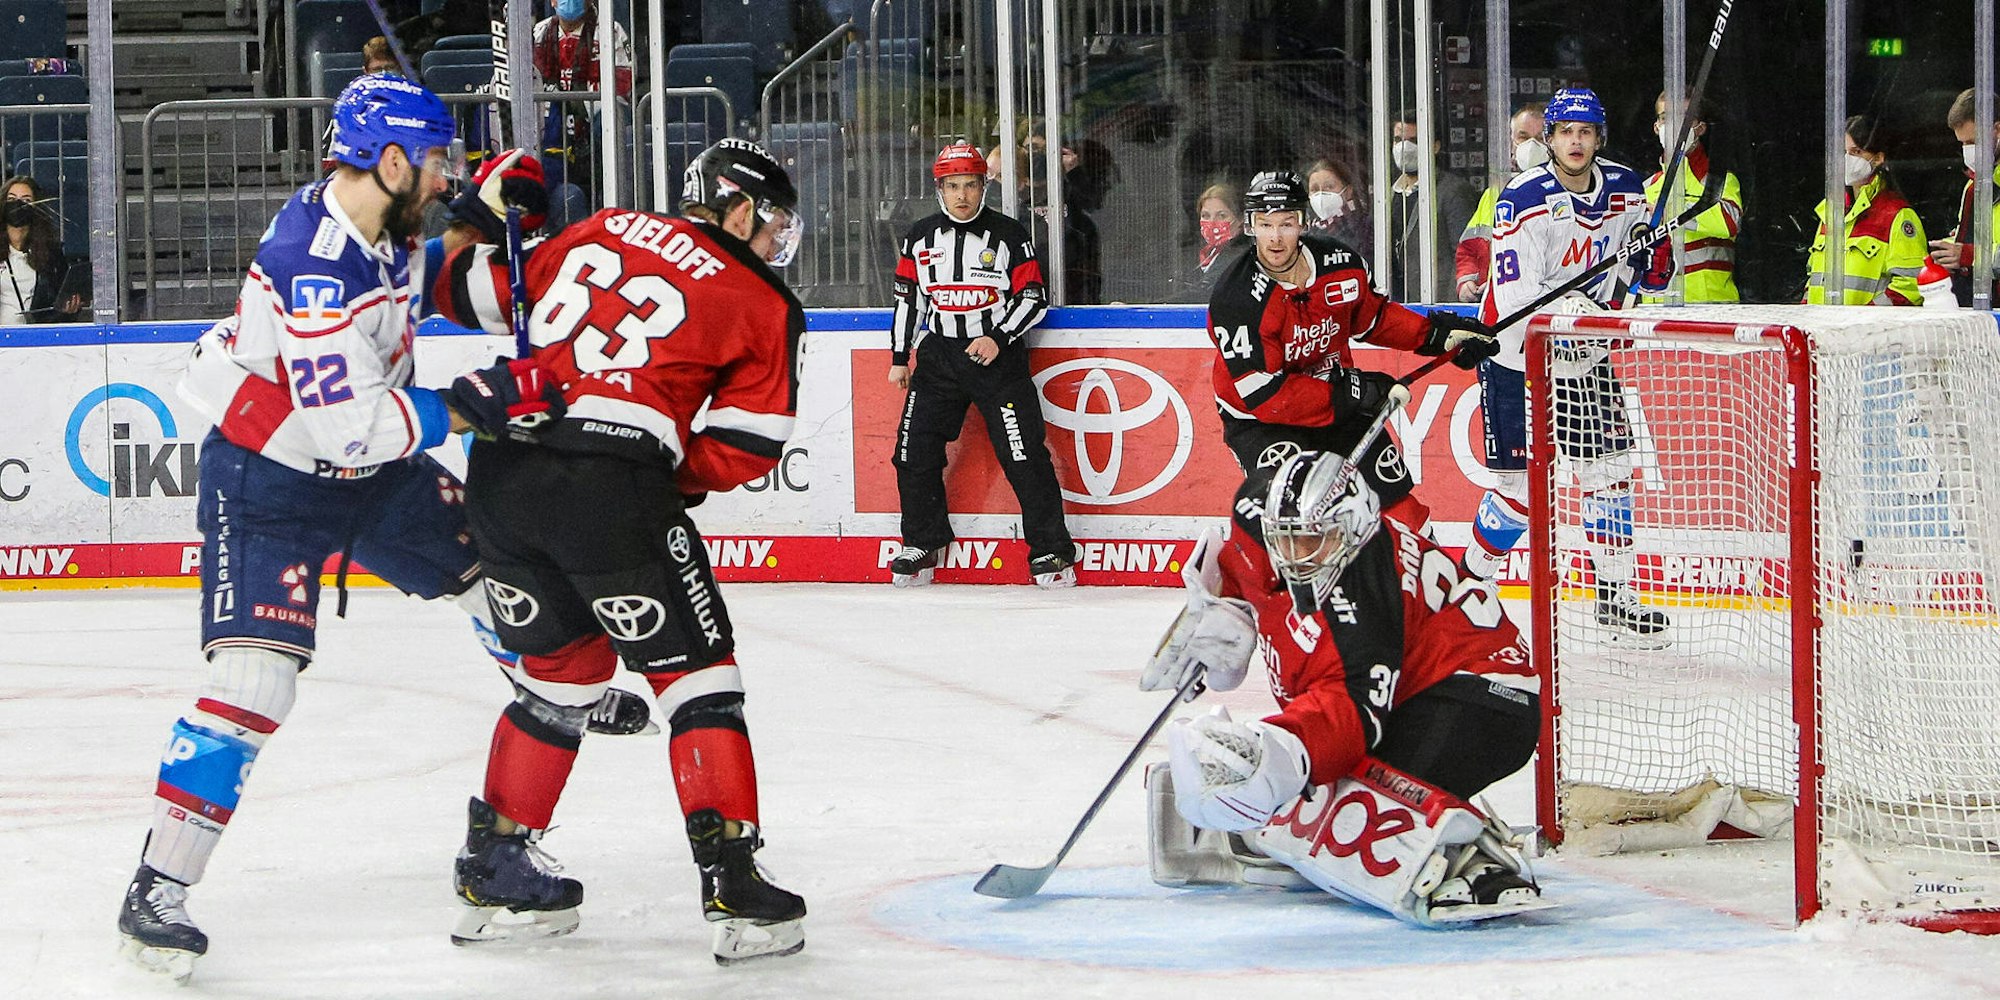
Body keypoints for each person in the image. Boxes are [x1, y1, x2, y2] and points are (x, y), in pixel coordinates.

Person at [113, 75, 577, 983]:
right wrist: (470, 404)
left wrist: (482, 205)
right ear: (394, 161)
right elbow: (352, 426)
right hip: (273, 480)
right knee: (257, 684)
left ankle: (522, 795)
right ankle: (157, 889)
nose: (446, 173)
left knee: (506, 584)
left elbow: (423, 270)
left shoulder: (378, 212)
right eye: (438, 159)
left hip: (367, 475)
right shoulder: (312, 268)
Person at [428, 138, 810, 964]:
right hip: (611, 483)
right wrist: (664, 482)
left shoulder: (600, 226)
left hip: (501, 469)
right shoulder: (762, 298)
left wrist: (477, 211)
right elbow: (750, 442)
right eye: (773, 221)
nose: (778, 241)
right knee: (698, 675)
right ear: (737, 207)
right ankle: (734, 884)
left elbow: (456, 287)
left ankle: (495, 868)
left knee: (556, 678)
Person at [1138, 451, 1547, 926]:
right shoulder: (1258, 512)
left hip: (1484, 702)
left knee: (1348, 801)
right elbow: (1237, 555)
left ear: (1352, 529)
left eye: (1315, 540)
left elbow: (1350, 717)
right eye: (1286, 541)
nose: (1297, 557)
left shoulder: (1362, 599)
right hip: (1421, 689)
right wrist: (1226, 605)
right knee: (1313, 792)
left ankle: (1471, 860)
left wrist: (1280, 752)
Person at [1470, 87, 1672, 642]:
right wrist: (1577, 316)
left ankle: (1615, 592)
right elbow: (1516, 298)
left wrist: (1653, 256)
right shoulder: (1522, 196)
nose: (1576, 142)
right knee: (1518, 487)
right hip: (1517, 356)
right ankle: (1470, 584)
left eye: (1586, 132)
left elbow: (1649, 276)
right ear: (1550, 139)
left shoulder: (1629, 188)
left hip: (1585, 359)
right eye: (1565, 132)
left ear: (1598, 138)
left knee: (1609, 474)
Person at [1203, 169, 1497, 529]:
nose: (1276, 238)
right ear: (1251, 226)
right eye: (1265, 225)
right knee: (1292, 519)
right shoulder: (1237, 298)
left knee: (1394, 506)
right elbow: (1267, 395)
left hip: (1337, 400)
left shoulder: (1339, 265)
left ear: (1304, 221)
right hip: (1262, 422)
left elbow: (1373, 318)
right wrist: (1356, 394)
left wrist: (1437, 337)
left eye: (1286, 223)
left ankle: (1419, 577)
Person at [886, 142, 1078, 588]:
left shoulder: (1010, 234)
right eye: (953, 186)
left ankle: (1051, 550)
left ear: (983, 185)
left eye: (970, 185)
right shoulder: (918, 236)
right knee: (911, 452)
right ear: (939, 189)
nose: (962, 196)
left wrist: (998, 337)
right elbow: (906, 301)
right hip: (938, 357)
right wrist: (900, 357)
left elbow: (1033, 297)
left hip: (998, 359)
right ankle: (921, 541)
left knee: (1023, 453)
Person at [1804, 114, 1925, 306]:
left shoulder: (1896, 215)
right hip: (1823, 330)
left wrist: (1866, 320)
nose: (1846, 159)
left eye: (1856, 152)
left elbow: (1911, 287)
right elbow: (1813, 277)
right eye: (1843, 152)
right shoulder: (1830, 211)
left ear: (1878, 158)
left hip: (1866, 333)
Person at [531, 0, 633, 220]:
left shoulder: (609, 30)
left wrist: (577, 106)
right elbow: (532, 81)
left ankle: (606, 203)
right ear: (553, 2)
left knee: (607, 123)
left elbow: (623, 83)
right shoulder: (539, 32)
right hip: (551, 116)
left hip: (593, 116)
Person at [1640, 91, 1741, 303]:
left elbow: (1728, 223)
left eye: (1685, 118)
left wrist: (1669, 211)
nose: (1675, 125)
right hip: (1655, 312)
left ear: (1700, 128)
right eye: (1666, 118)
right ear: (1657, 127)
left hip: (1712, 313)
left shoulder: (1720, 180)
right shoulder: (1647, 187)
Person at [1455, 103, 1546, 304]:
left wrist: (1502, 286)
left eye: (1540, 139)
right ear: (1510, 142)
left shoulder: (1566, 195)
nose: (1531, 145)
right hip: (1493, 310)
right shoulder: (1494, 194)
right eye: (1522, 137)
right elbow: (1469, 249)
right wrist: (1467, 281)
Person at [1386, 110, 1479, 302]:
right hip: (1399, 301)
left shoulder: (1453, 191)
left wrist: (1450, 306)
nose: (1405, 148)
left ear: (1435, 146)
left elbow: (1464, 253)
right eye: (1398, 140)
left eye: (1414, 141)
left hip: (1437, 302)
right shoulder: (1388, 194)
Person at [1928, 89, 2000, 306]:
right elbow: (1967, 238)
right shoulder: (1973, 185)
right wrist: (1948, 252)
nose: (1968, 150)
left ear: (1997, 129)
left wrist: (1968, 256)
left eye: (1973, 141)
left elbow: (1971, 252)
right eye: (1963, 144)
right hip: (1977, 311)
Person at [0, 176, 79, 323]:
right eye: (11, 199)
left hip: (37, 339)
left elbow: (58, 303)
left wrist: (68, 310)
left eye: (26, 200)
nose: (18, 205)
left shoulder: (51, 254)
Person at [1184, 182, 1242, 300]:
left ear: (1240, 219)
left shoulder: (1239, 256)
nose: (1212, 222)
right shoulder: (1206, 254)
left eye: (1221, 216)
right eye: (1205, 215)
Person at [1305, 158, 1371, 254]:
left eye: (1329, 187)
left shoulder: (1364, 227)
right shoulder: (1310, 230)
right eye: (1314, 189)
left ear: (1348, 191)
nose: (1321, 194)